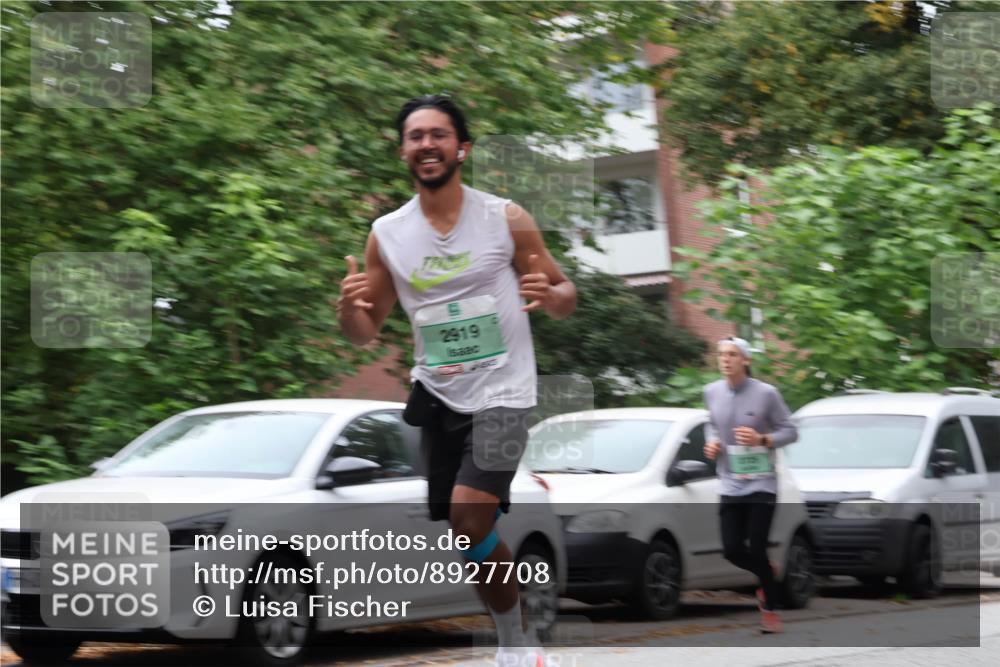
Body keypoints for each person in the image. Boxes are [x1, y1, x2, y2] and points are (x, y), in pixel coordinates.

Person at [337, 94, 576, 667]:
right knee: (466, 535)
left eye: (438, 134)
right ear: (403, 150)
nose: (427, 144)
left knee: (471, 515)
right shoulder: (387, 233)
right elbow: (364, 331)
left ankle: (515, 648)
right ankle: (517, 640)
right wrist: (346, 309)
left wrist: (550, 296)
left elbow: (565, 293)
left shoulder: (504, 217)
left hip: (504, 391)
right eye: (416, 136)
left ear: (461, 148)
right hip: (439, 394)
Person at [702, 337, 798, 634]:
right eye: (721, 354)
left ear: (745, 360)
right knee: (731, 549)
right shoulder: (711, 391)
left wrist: (763, 440)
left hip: (762, 481)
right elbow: (711, 424)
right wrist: (711, 442)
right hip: (730, 481)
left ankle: (770, 609)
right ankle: (767, 572)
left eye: (732, 354)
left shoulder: (767, 394)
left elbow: (791, 431)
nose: (725, 359)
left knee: (756, 545)